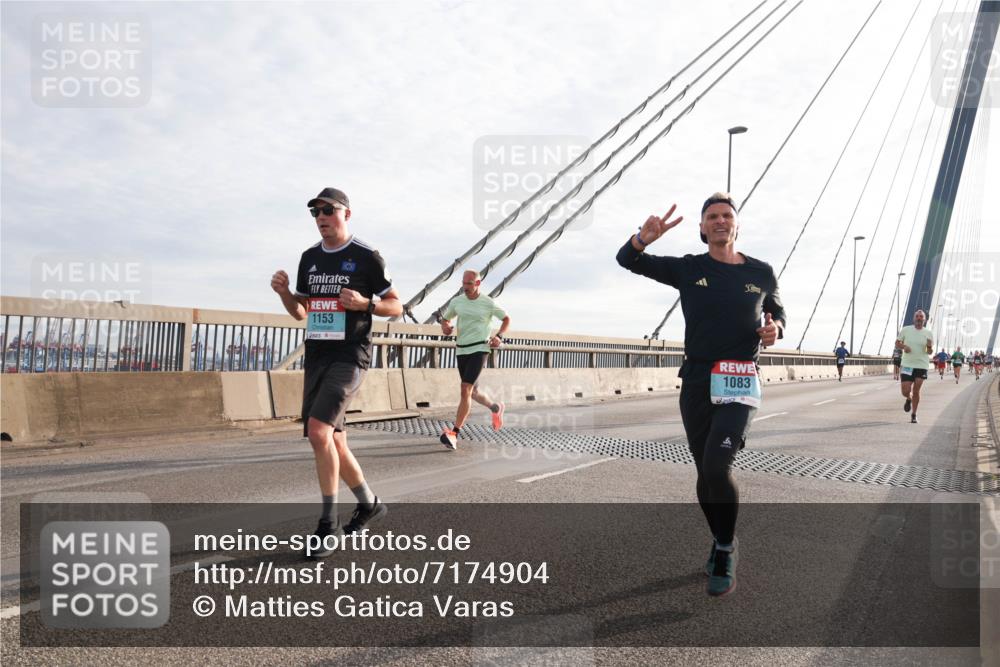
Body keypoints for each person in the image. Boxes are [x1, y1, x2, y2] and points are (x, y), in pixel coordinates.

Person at [616, 192, 785, 597]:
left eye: (727, 215)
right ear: (702, 228)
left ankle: (725, 548)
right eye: (712, 217)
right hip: (696, 380)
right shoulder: (690, 268)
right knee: (703, 472)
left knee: (716, 466)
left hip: (740, 379)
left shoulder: (761, 272)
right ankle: (720, 536)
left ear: (737, 225)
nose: (720, 221)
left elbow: (778, 312)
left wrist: (775, 328)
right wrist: (643, 239)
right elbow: (627, 260)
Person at [271, 187, 402, 559]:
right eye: (315, 212)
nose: (321, 217)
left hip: (350, 355)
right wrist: (285, 293)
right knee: (336, 441)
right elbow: (302, 312)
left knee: (318, 432)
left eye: (328, 210)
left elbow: (396, 305)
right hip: (318, 356)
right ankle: (369, 504)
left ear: (346, 214)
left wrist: (366, 304)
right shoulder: (309, 258)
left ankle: (328, 526)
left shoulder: (366, 256)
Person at [437, 270, 510, 449]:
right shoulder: (457, 302)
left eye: (469, 283)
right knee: (473, 392)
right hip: (462, 349)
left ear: (477, 284)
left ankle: (454, 433)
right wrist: (445, 327)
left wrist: (499, 336)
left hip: (480, 348)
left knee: (465, 389)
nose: (465, 286)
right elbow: (445, 320)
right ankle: (495, 408)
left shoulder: (488, 302)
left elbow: (506, 319)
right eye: (464, 283)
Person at [895, 310, 933, 424]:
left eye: (921, 316)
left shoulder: (928, 333)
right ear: (914, 318)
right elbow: (897, 343)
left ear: (924, 320)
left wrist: (929, 347)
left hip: (921, 365)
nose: (919, 318)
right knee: (905, 391)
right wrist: (904, 347)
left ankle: (914, 415)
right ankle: (909, 398)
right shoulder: (906, 330)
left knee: (916, 390)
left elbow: (929, 352)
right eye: (917, 316)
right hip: (907, 364)